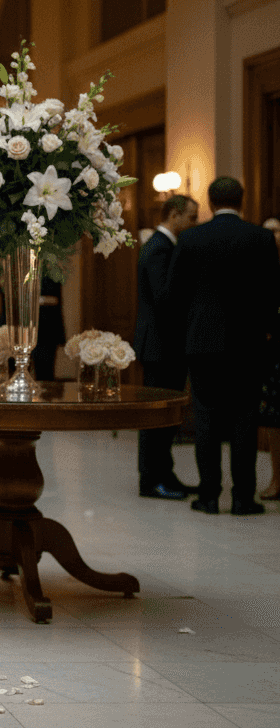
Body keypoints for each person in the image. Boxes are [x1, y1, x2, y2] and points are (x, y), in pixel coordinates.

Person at [167, 177, 280, 515]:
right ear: (241, 201)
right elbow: (274, 292)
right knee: (245, 418)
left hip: (203, 342)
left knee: (206, 419)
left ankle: (210, 496)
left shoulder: (190, 238)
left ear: (211, 202)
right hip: (248, 343)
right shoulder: (260, 238)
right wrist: (268, 334)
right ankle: (244, 498)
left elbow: (174, 293)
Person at [133, 195, 199, 500]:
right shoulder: (160, 247)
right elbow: (163, 298)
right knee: (157, 418)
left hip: (161, 343)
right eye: (191, 216)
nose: (193, 223)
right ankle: (153, 479)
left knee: (164, 417)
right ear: (174, 215)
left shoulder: (161, 245)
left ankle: (165, 474)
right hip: (162, 344)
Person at [259, 218, 280, 500]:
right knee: (274, 419)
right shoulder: (261, 267)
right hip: (272, 350)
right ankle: (277, 479)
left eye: (277, 229)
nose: (273, 235)